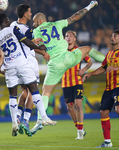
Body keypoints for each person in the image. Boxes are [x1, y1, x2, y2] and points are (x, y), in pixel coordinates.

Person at [31, 0, 105, 134]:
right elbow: (75, 17)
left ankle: (39, 120)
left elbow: (36, 47)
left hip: (54, 64)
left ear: (40, 21)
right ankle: (108, 60)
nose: (33, 24)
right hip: (67, 57)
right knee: (88, 49)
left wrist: (43, 52)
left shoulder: (36, 31)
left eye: (34, 21)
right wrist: (89, 6)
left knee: (45, 93)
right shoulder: (57, 23)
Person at [0, 13, 57, 137]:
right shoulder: (13, 29)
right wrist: (39, 48)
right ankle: (44, 117)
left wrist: (0, 61)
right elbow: (26, 42)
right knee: (34, 90)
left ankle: (15, 122)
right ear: (6, 20)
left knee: (12, 96)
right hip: (22, 64)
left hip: (9, 67)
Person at [9, 4, 50, 136]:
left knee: (25, 93)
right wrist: (43, 51)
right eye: (30, 12)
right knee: (32, 92)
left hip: (17, 63)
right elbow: (31, 45)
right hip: (28, 62)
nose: (31, 14)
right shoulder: (26, 30)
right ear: (25, 14)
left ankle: (17, 118)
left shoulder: (12, 26)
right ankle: (25, 121)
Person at [83, 29, 119, 148]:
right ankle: (107, 142)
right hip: (108, 88)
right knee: (103, 112)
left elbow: (113, 67)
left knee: (118, 109)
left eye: (115, 36)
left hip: (118, 86)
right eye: (112, 36)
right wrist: (90, 74)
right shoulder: (109, 54)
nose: (112, 37)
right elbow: (103, 68)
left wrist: (116, 68)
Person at [61, 30, 92, 139]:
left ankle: (79, 132)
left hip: (77, 81)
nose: (68, 38)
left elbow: (89, 62)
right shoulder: (61, 51)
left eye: (70, 36)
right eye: (66, 36)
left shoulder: (79, 51)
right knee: (70, 107)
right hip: (65, 82)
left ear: (74, 39)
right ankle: (79, 128)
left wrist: (83, 70)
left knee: (78, 104)